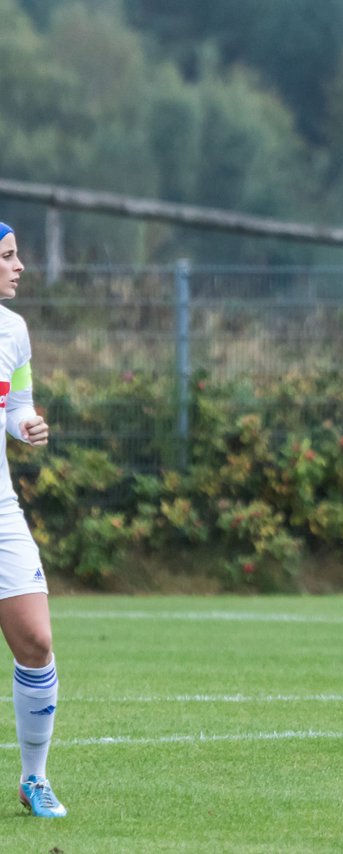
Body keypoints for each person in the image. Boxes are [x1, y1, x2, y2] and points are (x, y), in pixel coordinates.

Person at [0, 223, 65, 817]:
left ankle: (33, 779)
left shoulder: (14, 330)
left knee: (37, 642)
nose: (19, 266)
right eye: (8, 257)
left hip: (0, 512)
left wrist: (28, 427)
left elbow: (16, 407)